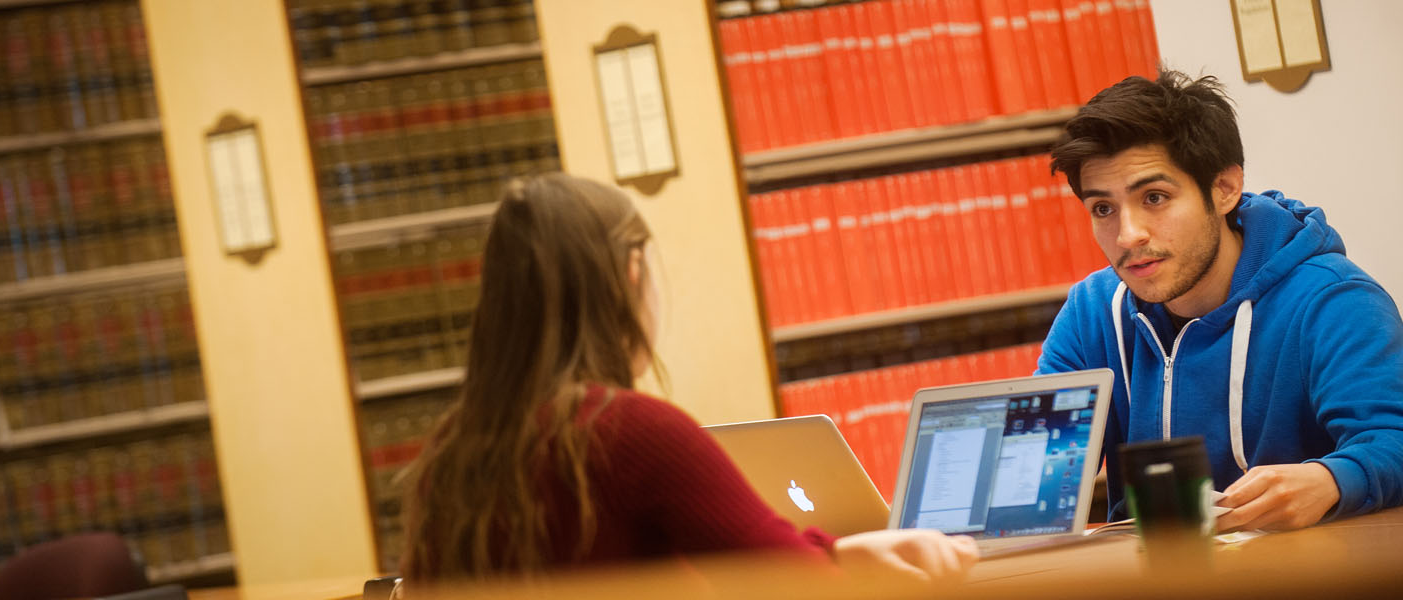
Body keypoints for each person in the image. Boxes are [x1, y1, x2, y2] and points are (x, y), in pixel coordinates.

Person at [396, 173, 977, 586]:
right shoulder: (630, 431)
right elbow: (794, 582)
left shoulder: (450, 452)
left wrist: (840, 551)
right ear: (629, 271)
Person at [1039, 70, 1403, 533]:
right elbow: (1043, 475)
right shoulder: (1093, 312)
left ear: (1225, 189)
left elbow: (1393, 437)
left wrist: (1332, 478)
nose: (1128, 235)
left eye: (1154, 197)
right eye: (1103, 209)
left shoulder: (1330, 299)